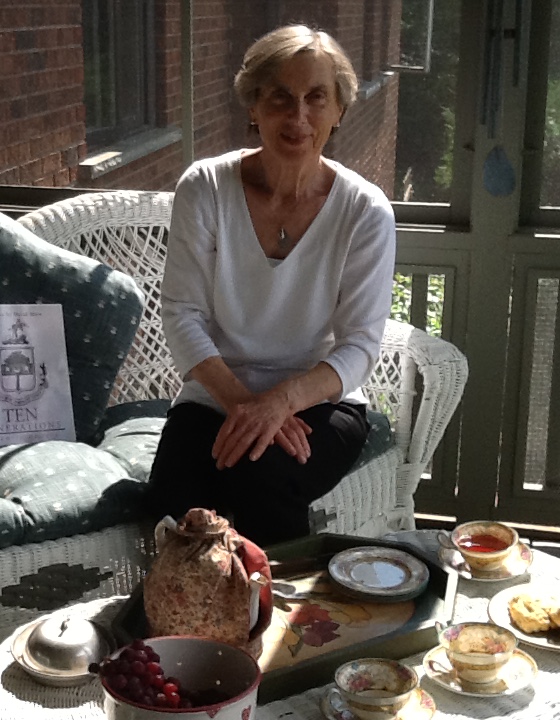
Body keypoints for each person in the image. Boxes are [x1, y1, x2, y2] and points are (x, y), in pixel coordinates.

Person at [145, 25, 397, 546]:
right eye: (280, 96)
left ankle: (278, 620)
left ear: (338, 111)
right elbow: (181, 315)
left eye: (315, 98)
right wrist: (245, 405)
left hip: (322, 403)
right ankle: (185, 625)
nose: (298, 115)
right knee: (173, 510)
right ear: (253, 104)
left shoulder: (365, 211)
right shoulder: (205, 187)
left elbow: (359, 347)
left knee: (260, 475)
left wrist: (280, 403)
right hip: (215, 395)